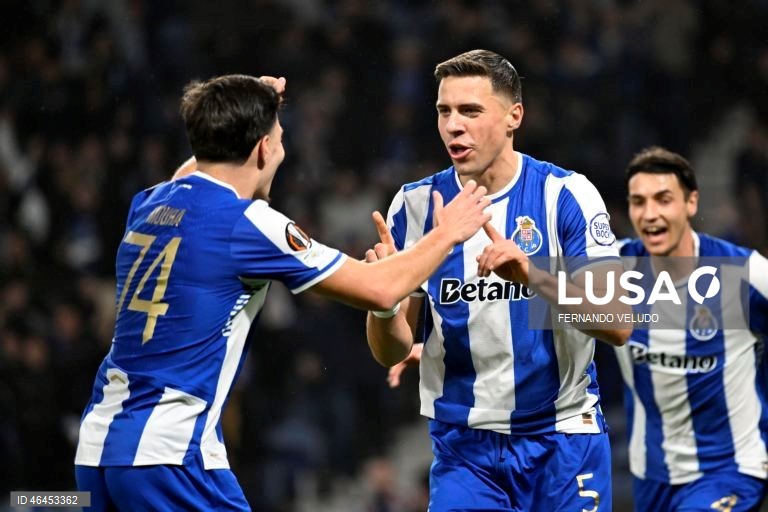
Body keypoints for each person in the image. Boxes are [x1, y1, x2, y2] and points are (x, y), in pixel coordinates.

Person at [73, 74, 493, 511]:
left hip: (98, 449)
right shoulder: (249, 223)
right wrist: (447, 234)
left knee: (44, 500)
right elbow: (382, 289)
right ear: (261, 149)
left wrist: (237, 105)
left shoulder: (149, 203)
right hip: (170, 456)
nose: (282, 152)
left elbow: (198, 165)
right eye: (279, 139)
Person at [366, 49, 630, 512]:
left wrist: (532, 276)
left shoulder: (565, 195)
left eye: (470, 110)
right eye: (444, 111)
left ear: (514, 117)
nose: (453, 125)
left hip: (562, 441)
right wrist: (383, 300)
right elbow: (389, 349)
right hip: (464, 450)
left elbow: (618, 323)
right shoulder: (413, 206)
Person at [615, 146, 768, 511]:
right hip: (650, 474)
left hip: (730, 469)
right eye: (639, 202)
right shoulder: (612, 272)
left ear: (691, 203)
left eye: (663, 199)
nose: (649, 214)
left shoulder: (743, 273)